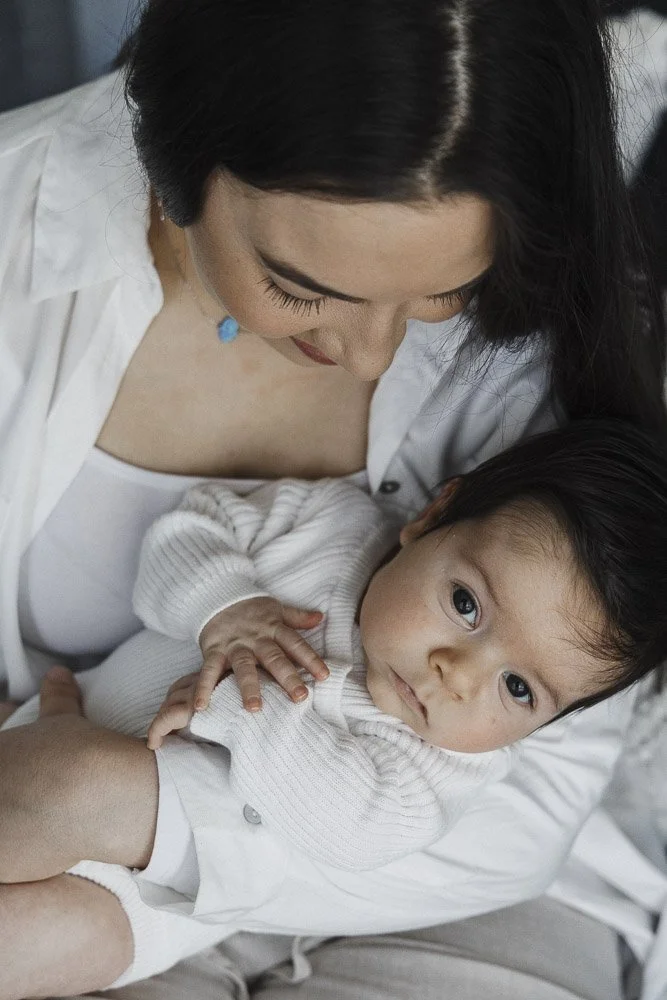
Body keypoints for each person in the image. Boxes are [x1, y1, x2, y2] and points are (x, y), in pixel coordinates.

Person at [0, 1, 665, 998]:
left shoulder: (543, 319)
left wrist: (135, 805)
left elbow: (520, 813)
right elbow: (203, 546)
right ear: (183, 149)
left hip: (442, 889)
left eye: (442, 294)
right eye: (300, 284)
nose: (372, 355)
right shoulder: (22, 236)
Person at [4, 420, 667, 995]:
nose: (455, 675)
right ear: (433, 515)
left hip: (141, 901)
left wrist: (240, 706)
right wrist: (223, 604)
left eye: (517, 689)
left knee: (29, 940)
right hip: (51, 729)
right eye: (465, 604)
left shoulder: (439, 773)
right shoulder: (327, 529)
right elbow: (194, 525)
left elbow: (345, 824)